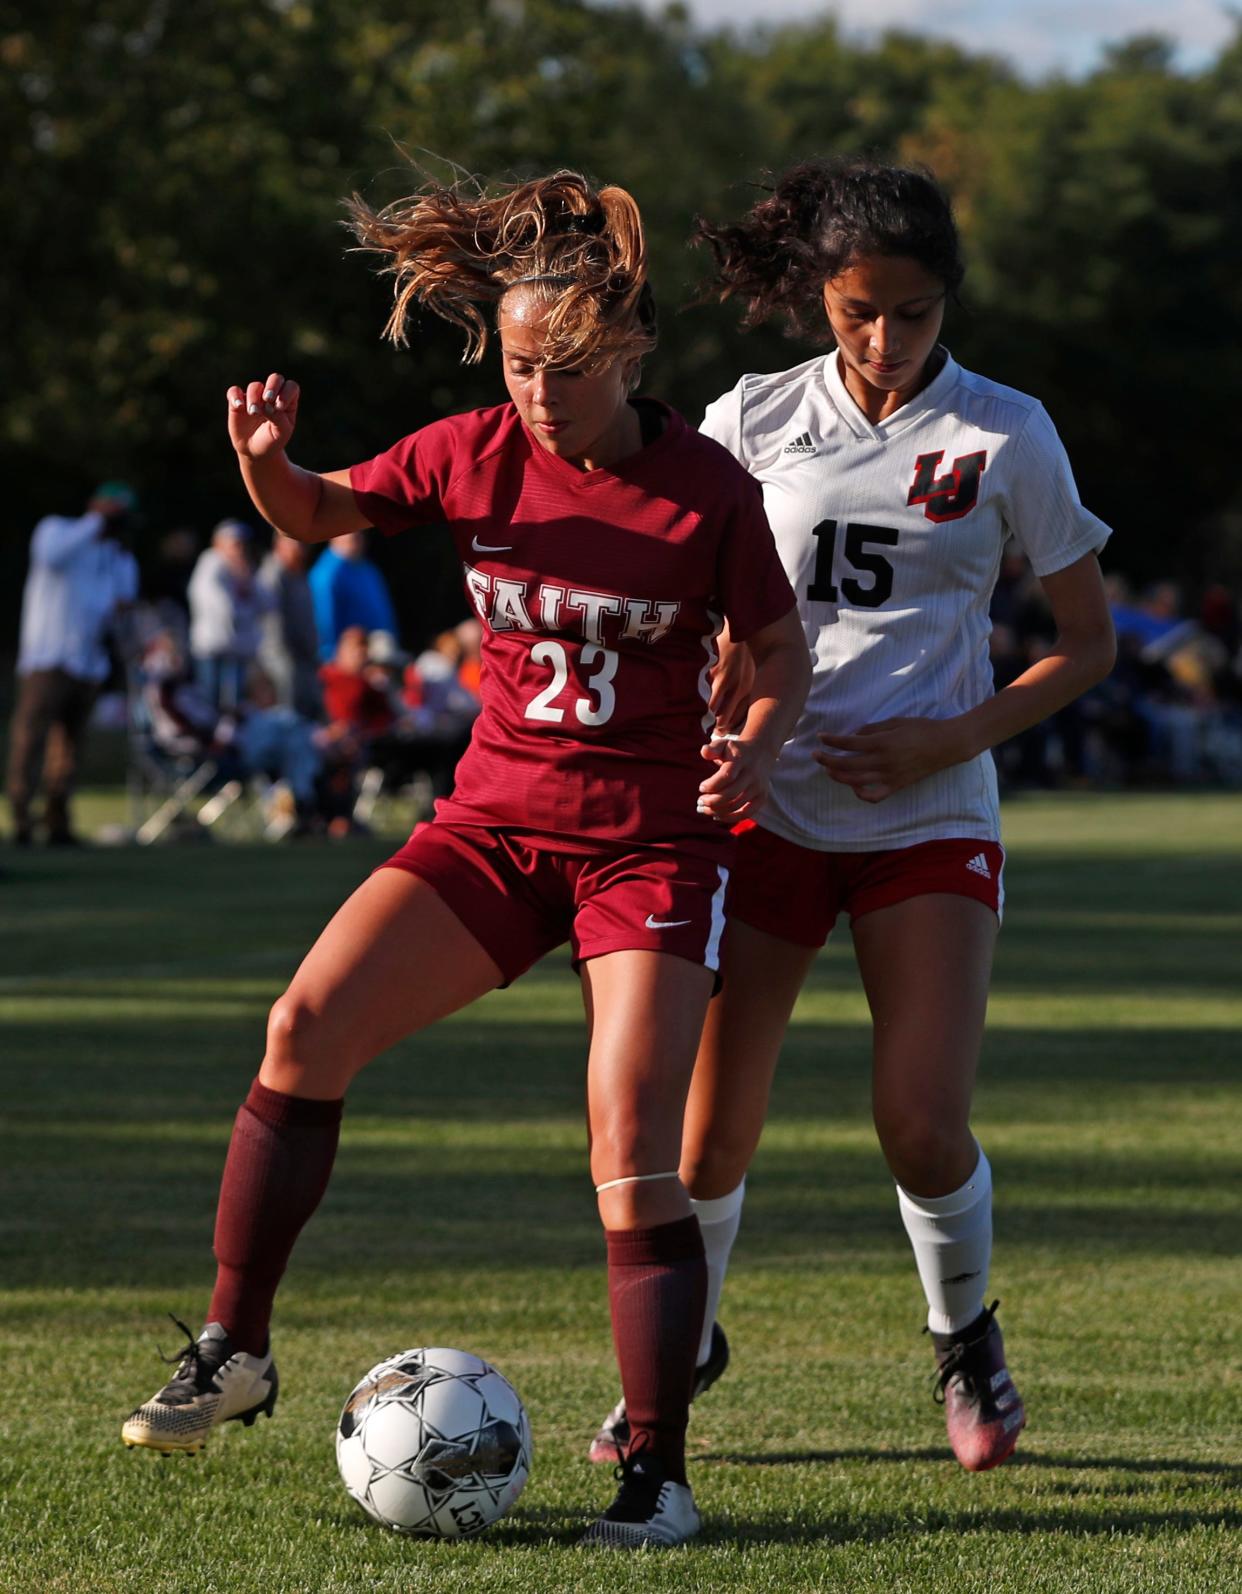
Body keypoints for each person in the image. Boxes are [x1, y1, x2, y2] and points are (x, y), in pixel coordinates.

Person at [119, 169, 810, 1549]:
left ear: (626, 348)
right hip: (493, 828)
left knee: (628, 1143)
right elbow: (318, 513)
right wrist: (264, 466)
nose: (534, 392)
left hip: (648, 850)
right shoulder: (472, 448)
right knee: (302, 1025)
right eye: (512, 362)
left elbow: (778, 652)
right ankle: (235, 1344)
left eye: (560, 365)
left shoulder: (705, 489)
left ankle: (655, 1474)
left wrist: (759, 735)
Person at [588, 157, 1116, 1475]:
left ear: (949, 301)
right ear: (818, 293)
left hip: (927, 814)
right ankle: (682, 1349)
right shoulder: (751, 417)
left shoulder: (1006, 431)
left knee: (920, 1121)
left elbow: (1087, 643)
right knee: (704, 1134)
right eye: (856, 311)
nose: (883, 341)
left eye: (913, 314)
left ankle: (963, 1337)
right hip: (762, 808)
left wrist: (950, 732)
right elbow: (674, 577)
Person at [6, 483, 139, 846]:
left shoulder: (116, 556)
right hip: (48, 659)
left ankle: (57, 822)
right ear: (95, 505)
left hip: (89, 664)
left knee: (68, 749)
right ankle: (20, 819)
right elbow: (51, 557)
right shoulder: (58, 530)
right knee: (29, 740)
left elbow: (121, 608)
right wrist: (96, 522)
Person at [187, 518, 272, 709]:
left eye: (242, 544)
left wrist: (248, 584)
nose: (240, 548)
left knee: (235, 699)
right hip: (212, 646)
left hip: (237, 646)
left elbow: (267, 603)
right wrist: (246, 610)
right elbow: (219, 604)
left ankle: (228, 736)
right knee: (210, 697)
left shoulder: (245, 569)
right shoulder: (211, 565)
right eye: (235, 543)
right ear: (219, 544)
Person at [257, 532, 323, 719]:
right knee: (288, 713)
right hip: (282, 658)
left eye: (303, 546)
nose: (300, 550)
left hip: (305, 658)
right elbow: (272, 623)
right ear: (279, 545)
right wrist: (283, 656)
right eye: (295, 545)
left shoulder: (300, 574)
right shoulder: (272, 576)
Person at [308, 529, 398, 660]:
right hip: (346, 658)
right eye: (348, 531)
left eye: (359, 532)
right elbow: (323, 621)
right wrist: (332, 655)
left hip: (378, 654)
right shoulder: (327, 574)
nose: (355, 536)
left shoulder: (368, 569)